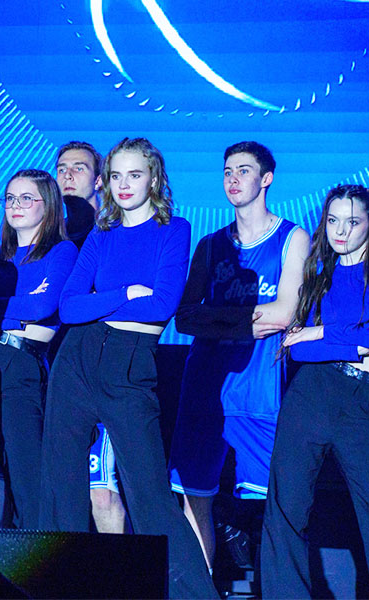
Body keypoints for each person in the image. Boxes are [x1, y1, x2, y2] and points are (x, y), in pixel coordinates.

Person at [40, 137, 217, 598]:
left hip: (130, 363)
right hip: (76, 360)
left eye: (134, 174)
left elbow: (162, 305)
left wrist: (103, 302)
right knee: (61, 489)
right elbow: (68, 307)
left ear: (153, 178)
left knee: (151, 497)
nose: (123, 184)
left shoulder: (174, 230)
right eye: (115, 175)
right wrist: (124, 295)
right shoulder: (101, 234)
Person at [260, 183, 369, 599]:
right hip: (310, 394)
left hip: (360, 401)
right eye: (333, 220)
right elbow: (299, 350)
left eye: (352, 221)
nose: (340, 230)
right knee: (285, 511)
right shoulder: (319, 277)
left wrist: (318, 333)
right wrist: (352, 338)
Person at [167, 141, 309, 571]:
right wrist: (246, 321)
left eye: (244, 170)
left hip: (258, 391)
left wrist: (217, 318)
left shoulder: (292, 237)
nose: (233, 178)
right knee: (195, 501)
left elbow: (285, 313)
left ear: (266, 179)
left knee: (272, 511)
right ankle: (199, 592)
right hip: (205, 390)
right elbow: (185, 317)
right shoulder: (210, 245)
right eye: (227, 171)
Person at [0, 169, 77, 528]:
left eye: (26, 198)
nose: (15, 206)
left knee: (24, 470)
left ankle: (34, 550)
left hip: (20, 361)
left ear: (48, 205)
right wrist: (14, 311)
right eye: (9, 198)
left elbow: (43, 306)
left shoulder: (62, 251)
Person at [55, 141, 128, 534]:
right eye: (61, 168)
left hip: (102, 369)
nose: (67, 175)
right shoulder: (48, 234)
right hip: (55, 369)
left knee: (101, 490)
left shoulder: (112, 233)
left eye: (78, 168)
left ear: (100, 180)